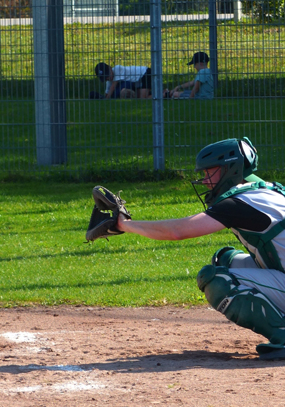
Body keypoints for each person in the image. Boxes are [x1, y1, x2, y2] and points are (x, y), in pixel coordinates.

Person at [116, 137, 285, 360]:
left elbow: (178, 230)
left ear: (230, 169)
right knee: (225, 259)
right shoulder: (267, 192)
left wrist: (123, 225)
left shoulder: (239, 202)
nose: (205, 180)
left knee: (216, 280)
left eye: (209, 172)